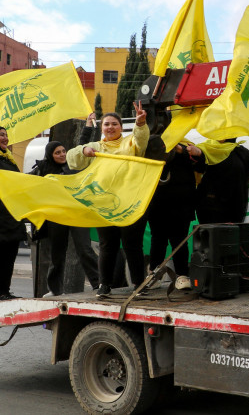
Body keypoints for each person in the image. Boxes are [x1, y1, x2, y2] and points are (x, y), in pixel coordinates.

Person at [67, 104, 150, 297]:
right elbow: (72, 159)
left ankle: (139, 284)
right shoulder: (97, 147)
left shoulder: (130, 144)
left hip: (130, 203)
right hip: (105, 204)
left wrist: (140, 124)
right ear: (101, 128)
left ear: (121, 127)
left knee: (133, 245)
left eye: (114, 124)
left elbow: (142, 141)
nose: (110, 127)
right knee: (107, 245)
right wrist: (84, 150)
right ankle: (104, 285)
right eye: (106, 124)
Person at [29, 141, 100, 295]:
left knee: (85, 250)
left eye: (63, 151)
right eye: (57, 152)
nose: (62, 155)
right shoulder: (42, 170)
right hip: (57, 216)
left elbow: (82, 146)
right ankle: (54, 290)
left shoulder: (73, 166)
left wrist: (88, 126)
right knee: (57, 255)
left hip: (76, 214)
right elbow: (27, 184)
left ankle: (97, 284)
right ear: (50, 155)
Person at [146, 139, 204, 283]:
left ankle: (182, 276)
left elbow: (201, 165)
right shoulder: (150, 142)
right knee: (158, 240)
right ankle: (154, 276)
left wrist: (182, 150)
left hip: (182, 203)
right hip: (157, 203)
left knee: (179, 240)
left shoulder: (186, 145)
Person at [192, 139, 249, 224]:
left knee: (230, 235)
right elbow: (199, 167)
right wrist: (197, 154)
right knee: (213, 236)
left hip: (234, 206)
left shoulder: (239, 150)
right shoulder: (207, 148)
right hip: (210, 206)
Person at [0, 126, 26, 300]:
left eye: (6, 135)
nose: (5, 138)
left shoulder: (8, 159)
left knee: (9, 256)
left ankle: (4, 291)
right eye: (1, 135)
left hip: (12, 215)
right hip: (1, 218)